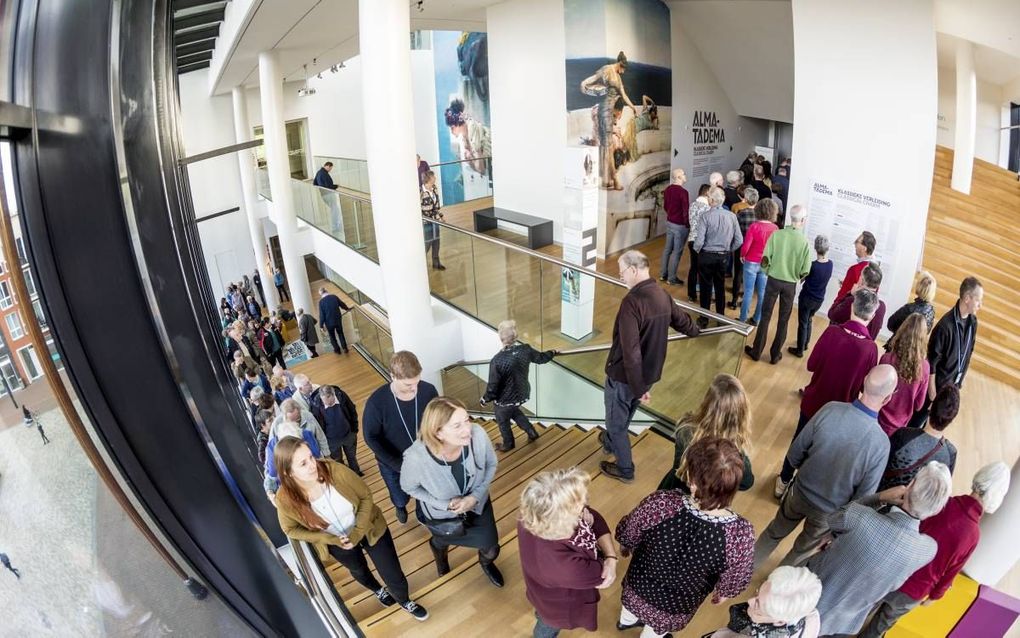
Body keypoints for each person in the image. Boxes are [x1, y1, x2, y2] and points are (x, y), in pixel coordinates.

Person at [754, 365, 895, 570]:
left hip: (799, 493)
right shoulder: (881, 445)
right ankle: (772, 590)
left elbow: (794, 454)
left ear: (864, 380)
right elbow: (862, 499)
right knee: (801, 551)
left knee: (773, 532)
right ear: (888, 398)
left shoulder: (830, 409)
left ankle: (739, 576)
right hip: (828, 514)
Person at [274, 437, 429, 621]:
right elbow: (290, 530)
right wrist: (325, 539)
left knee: (392, 571)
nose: (312, 465)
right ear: (288, 472)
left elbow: (365, 495)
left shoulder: (333, 470)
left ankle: (404, 599)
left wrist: (356, 533)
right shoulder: (285, 499)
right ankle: (377, 589)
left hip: (368, 526)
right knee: (359, 570)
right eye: (303, 463)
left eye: (310, 457)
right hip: (337, 541)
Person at [616, 438, 755, 637]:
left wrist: (626, 546)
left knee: (628, 609)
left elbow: (630, 530)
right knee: (656, 631)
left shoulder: (661, 503)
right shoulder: (741, 534)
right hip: (676, 605)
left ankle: (625, 622)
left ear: (691, 481)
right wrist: (723, 592)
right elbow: (735, 578)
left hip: (638, 586)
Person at [859, 462, 1010, 638]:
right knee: (880, 626)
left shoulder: (943, 503)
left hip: (895, 568)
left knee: (862, 608)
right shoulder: (974, 535)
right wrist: (935, 595)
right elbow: (951, 572)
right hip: (915, 590)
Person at [807, 463, 952, 637]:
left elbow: (835, 518)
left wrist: (879, 498)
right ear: (937, 509)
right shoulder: (927, 549)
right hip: (845, 623)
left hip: (806, 600)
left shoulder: (860, 517)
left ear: (910, 485)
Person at [601, 250, 700, 482]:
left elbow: (631, 352)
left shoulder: (631, 303)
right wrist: (695, 330)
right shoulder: (662, 294)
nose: (620, 275)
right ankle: (609, 442)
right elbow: (682, 321)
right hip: (648, 377)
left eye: (622, 270)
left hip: (626, 379)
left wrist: (637, 389)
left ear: (634, 270)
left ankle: (625, 469)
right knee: (624, 414)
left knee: (616, 424)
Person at [774, 290, 880, 497]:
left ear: (852, 307)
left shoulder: (832, 333)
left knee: (799, 441)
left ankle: (783, 480)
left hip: (814, 402)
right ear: (873, 316)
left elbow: (812, 364)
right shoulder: (871, 349)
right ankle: (800, 487)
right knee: (823, 452)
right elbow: (862, 388)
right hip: (840, 414)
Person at [400, 396, 503, 587]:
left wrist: (474, 497)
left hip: (478, 504)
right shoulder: (416, 458)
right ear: (438, 433)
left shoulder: (478, 434)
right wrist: (444, 505)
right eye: (457, 426)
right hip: (442, 514)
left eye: (467, 420)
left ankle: (486, 562)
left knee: (492, 548)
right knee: (442, 540)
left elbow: (491, 463)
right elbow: (409, 487)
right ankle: (440, 553)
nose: (467, 430)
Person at [517, 468, 618, 638]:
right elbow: (601, 576)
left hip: (539, 590)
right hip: (560, 608)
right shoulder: (567, 567)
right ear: (564, 520)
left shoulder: (530, 516)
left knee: (542, 612)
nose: (586, 504)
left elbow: (593, 516)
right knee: (547, 627)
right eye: (579, 507)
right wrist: (609, 558)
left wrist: (610, 557)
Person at [363, 351, 439, 524]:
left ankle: (422, 514)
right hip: (392, 464)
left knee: (425, 492)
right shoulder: (376, 402)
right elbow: (371, 437)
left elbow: (437, 419)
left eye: (417, 382)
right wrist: (398, 464)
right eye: (408, 384)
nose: (414, 388)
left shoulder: (428, 391)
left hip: (424, 459)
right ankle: (400, 506)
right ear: (393, 376)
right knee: (399, 494)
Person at [658, 374, 754, 493]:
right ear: (742, 410)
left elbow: (678, 467)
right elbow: (747, 482)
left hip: (674, 490)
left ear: (707, 401)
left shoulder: (686, 427)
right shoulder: (735, 450)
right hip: (708, 501)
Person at [909, 277, 982, 428]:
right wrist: (932, 394)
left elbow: (968, 353)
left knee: (933, 428)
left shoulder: (973, 323)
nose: (980, 305)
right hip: (935, 390)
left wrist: (958, 385)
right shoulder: (945, 326)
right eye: (978, 300)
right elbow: (932, 363)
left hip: (952, 389)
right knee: (916, 423)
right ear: (967, 298)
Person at [745, 205, 812, 364]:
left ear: (790, 217)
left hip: (773, 281)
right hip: (790, 285)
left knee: (765, 316)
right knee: (784, 320)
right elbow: (805, 269)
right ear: (802, 221)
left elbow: (766, 258)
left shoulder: (777, 235)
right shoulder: (804, 242)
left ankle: (756, 351)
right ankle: (775, 355)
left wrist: (768, 271)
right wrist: (796, 276)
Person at [480, 320, 557, 452]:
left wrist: (485, 399)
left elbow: (493, 387)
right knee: (515, 411)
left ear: (501, 337)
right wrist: (553, 352)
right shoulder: (525, 349)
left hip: (505, 400)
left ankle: (508, 444)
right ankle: (531, 432)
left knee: (503, 421)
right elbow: (541, 358)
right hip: (522, 394)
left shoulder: (497, 360)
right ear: (516, 336)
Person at [704, 566, 822, 638]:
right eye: (758, 592)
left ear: (780, 621)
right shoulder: (808, 613)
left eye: (758, 605)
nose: (749, 601)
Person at [880, 385, 959, 491]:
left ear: (930, 407)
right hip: (917, 506)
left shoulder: (903, 435)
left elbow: (880, 466)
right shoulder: (950, 453)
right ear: (952, 419)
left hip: (883, 498)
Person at [579, 51, 636, 190]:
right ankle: (615, 180)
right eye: (623, 69)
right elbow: (591, 80)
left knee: (607, 147)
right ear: (620, 65)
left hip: (609, 113)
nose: (623, 72)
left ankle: (607, 179)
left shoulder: (618, 77)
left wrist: (633, 106)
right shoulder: (607, 70)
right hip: (604, 112)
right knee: (608, 147)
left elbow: (624, 95)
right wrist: (584, 85)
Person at [693, 186, 743, 316]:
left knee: (705, 288)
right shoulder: (732, 217)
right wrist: (728, 250)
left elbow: (699, 241)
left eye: (709, 197)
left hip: (706, 256)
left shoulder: (705, 216)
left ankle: (704, 318)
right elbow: (739, 240)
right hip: (723, 257)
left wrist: (697, 251)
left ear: (712, 200)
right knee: (720, 287)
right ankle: (721, 317)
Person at [877, 313, 931, 435]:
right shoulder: (924, 368)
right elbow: (918, 405)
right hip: (899, 427)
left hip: (877, 418)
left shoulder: (886, 358)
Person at [788, 236, 833, 357]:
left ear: (815, 248)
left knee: (803, 323)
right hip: (819, 300)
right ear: (827, 248)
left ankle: (799, 350)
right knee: (809, 320)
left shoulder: (812, 265)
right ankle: (805, 343)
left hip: (807, 298)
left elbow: (801, 279)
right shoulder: (830, 264)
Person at [738, 198, 778, 324]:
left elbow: (746, 245)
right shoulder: (775, 228)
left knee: (748, 292)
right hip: (765, 263)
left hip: (751, 261)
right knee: (762, 293)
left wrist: (742, 255)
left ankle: (742, 319)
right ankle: (756, 318)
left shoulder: (754, 226)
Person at [264, 417, 323, 502]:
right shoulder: (273, 448)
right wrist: (270, 492)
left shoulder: (306, 436)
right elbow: (271, 475)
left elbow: (319, 458)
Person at [827, 263, 886, 340]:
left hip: (845, 344)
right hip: (865, 348)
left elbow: (831, 314)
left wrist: (849, 294)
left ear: (861, 280)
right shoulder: (881, 307)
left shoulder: (852, 300)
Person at [317, 385, 362, 476]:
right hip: (331, 440)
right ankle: (345, 475)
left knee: (352, 456)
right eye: (324, 402)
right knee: (337, 460)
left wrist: (354, 429)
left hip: (348, 434)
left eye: (329, 403)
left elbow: (352, 410)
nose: (326, 405)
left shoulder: (342, 396)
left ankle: (356, 473)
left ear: (333, 395)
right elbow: (317, 424)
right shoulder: (316, 405)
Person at [444, 98, 491, 176]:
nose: (452, 132)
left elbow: (481, 170)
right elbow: (480, 169)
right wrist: (470, 160)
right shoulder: (465, 136)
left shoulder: (472, 128)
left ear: (457, 123)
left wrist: (470, 161)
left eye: (452, 128)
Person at [729, 188, 759, 310]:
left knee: (738, 273)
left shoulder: (740, 214)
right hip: (755, 248)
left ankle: (734, 301)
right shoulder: (760, 216)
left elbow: (734, 231)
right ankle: (745, 300)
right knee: (750, 275)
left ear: (745, 199)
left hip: (741, 246)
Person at [659, 168, 690, 286]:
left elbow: (666, 206)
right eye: (683, 174)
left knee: (667, 249)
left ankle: (663, 274)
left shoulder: (668, 189)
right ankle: (671, 278)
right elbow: (685, 211)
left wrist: (671, 215)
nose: (685, 175)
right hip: (680, 225)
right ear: (678, 177)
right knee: (677, 252)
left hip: (670, 222)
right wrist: (687, 225)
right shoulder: (683, 192)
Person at [887, 271, 937, 336]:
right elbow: (927, 332)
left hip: (899, 343)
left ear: (919, 286)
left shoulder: (909, 309)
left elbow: (890, 324)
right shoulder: (931, 311)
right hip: (917, 345)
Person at [834, 231, 876, 299]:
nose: (854, 244)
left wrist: (832, 309)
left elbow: (841, 297)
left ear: (864, 248)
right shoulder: (876, 271)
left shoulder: (854, 269)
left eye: (857, 241)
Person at [687, 184, 711, 302]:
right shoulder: (707, 208)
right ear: (707, 193)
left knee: (693, 268)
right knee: (704, 271)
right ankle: (704, 296)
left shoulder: (692, 205)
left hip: (691, 239)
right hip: (702, 242)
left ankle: (691, 295)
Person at [420, 170, 445, 271]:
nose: (435, 178)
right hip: (426, 221)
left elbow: (436, 206)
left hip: (435, 220)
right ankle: (420, 263)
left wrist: (441, 216)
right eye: (433, 177)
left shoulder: (434, 188)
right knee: (428, 242)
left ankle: (436, 263)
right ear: (429, 179)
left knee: (436, 241)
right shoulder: (420, 192)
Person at [318, 287, 350, 355]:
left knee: (332, 336)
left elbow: (322, 315)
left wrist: (321, 325)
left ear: (320, 294)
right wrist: (347, 309)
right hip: (337, 319)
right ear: (326, 290)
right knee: (340, 333)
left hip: (329, 322)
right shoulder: (334, 297)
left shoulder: (321, 302)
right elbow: (342, 304)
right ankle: (345, 348)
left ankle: (337, 350)